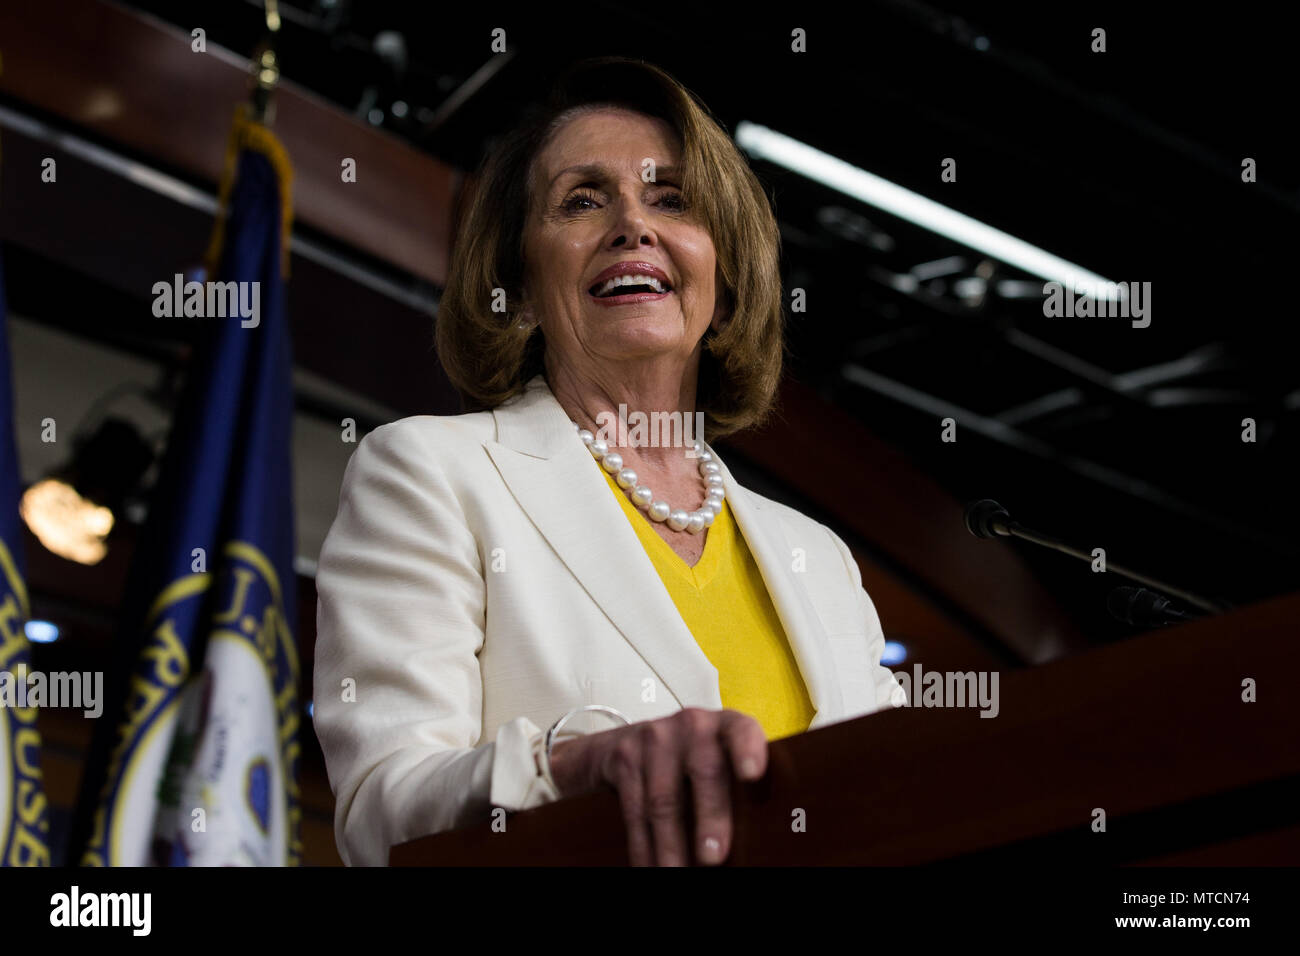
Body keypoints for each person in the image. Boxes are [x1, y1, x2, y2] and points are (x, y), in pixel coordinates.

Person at [313, 56, 901, 867]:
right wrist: (570, 765)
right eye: (581, 201)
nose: (633, 224)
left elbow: (906, 800)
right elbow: (383, 812)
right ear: (517, 287)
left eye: (672, 199)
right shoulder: (428, 475)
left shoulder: (822, 562)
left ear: (724, 284)